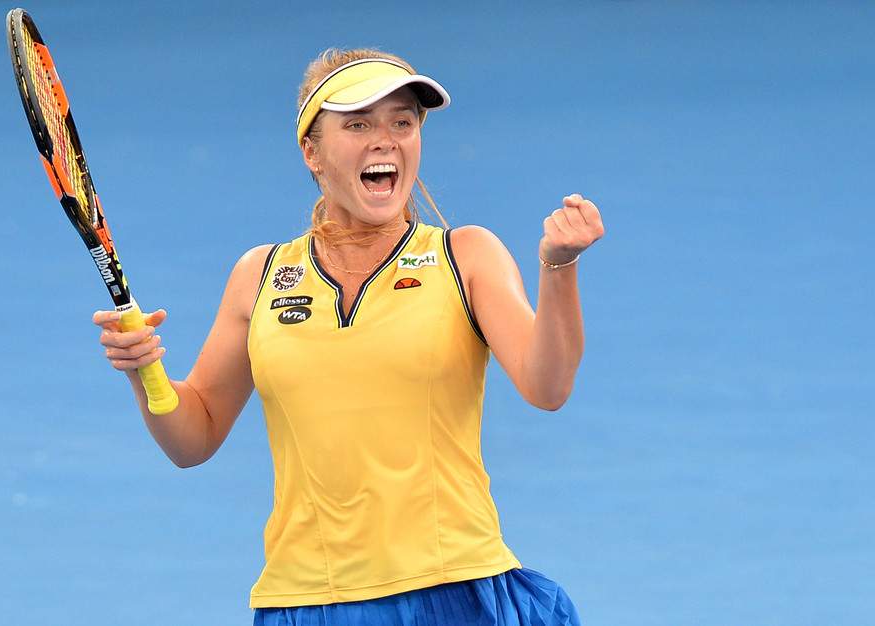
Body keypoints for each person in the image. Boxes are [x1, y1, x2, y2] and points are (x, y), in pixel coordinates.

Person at [93, 48, 604, 626]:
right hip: (306, 600)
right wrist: (146, 372)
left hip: (453, 591)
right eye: (358, 125)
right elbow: (194, 438)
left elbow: (547, 385)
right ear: (311, 151)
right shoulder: (259, 277)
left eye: (402, 122)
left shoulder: (466, 256)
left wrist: (559, 266)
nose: (384, 140)